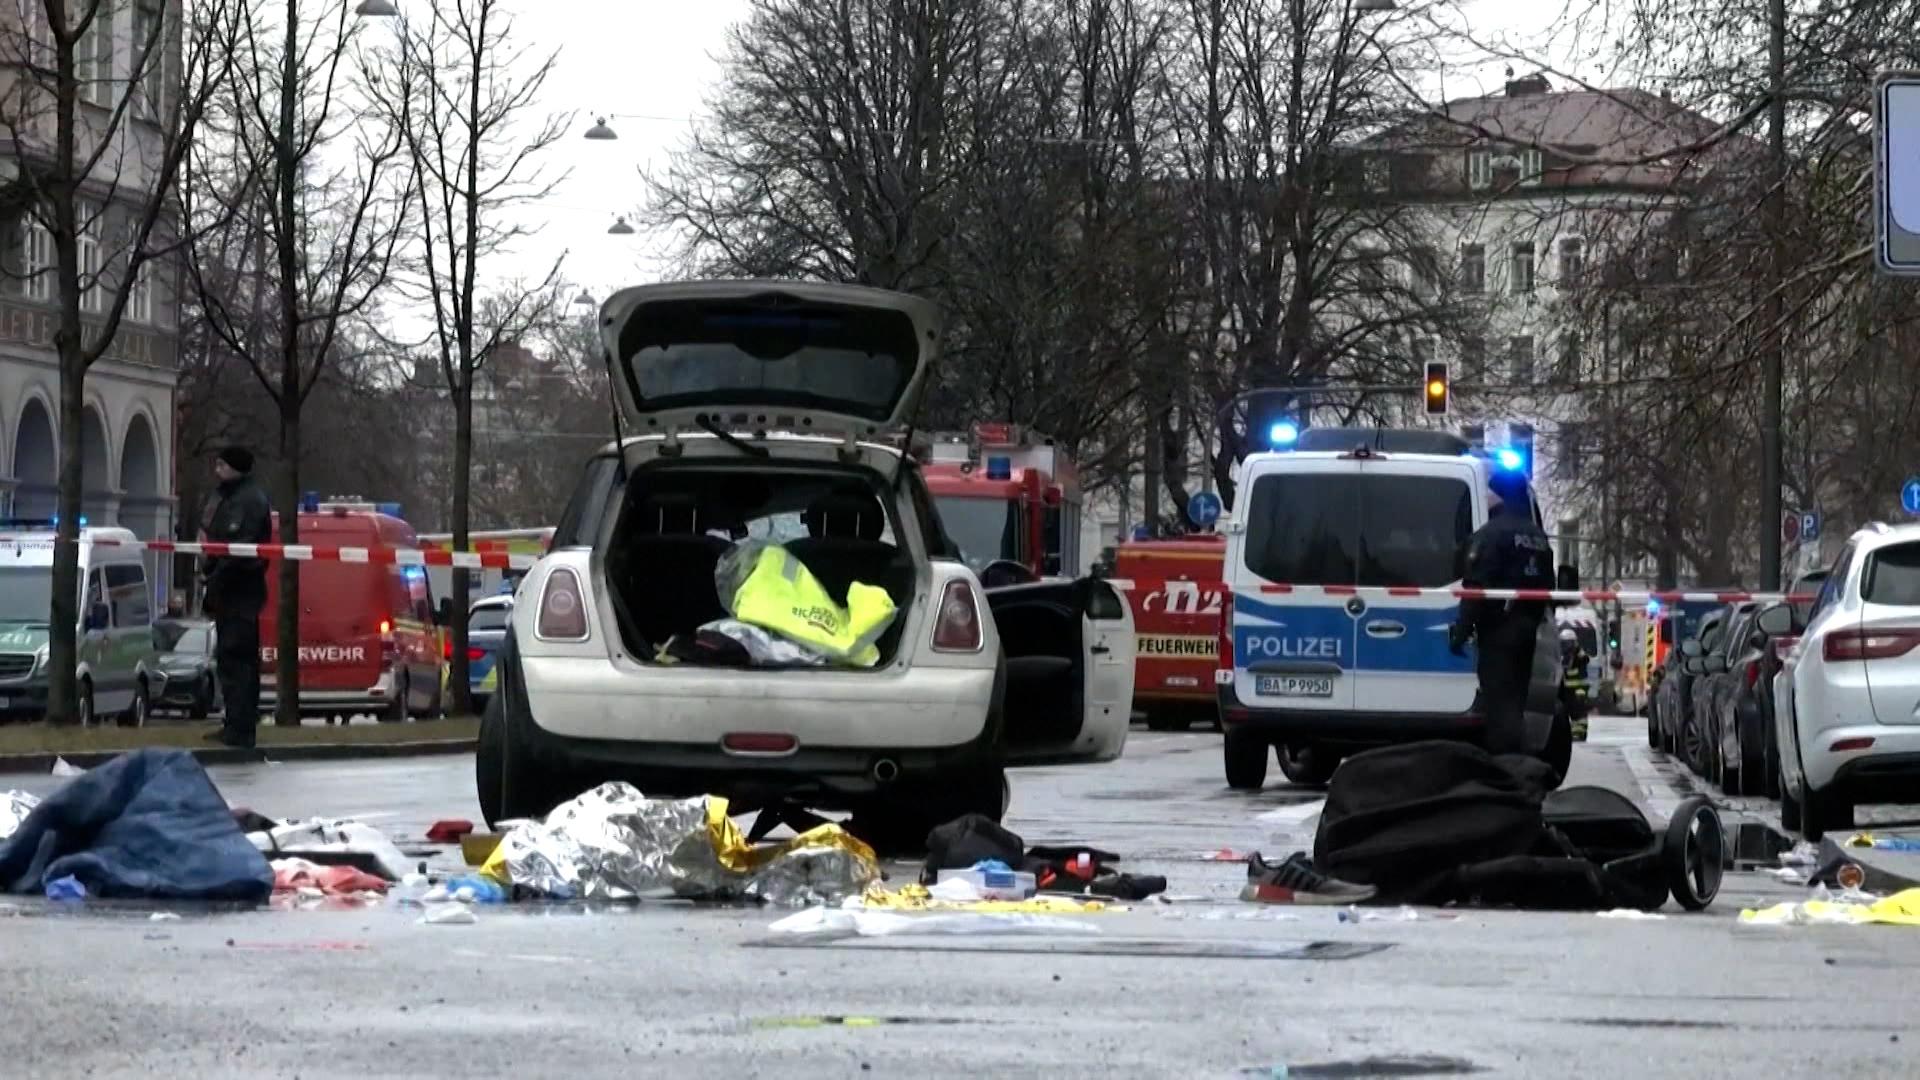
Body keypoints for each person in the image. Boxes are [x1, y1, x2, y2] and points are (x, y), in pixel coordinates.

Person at [1448, 468, 1555, 756]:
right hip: (1527, 629)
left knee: (1498, 702)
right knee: (1516, 699)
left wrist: (1461, 631)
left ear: (1501, 496)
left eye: (1491, 492)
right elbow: (1549, 587)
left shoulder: (1492, 535)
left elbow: (1476, 587)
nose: (1487, 497)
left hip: (1498, 631)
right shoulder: (1538, 537)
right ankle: (1514, 757)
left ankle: (1502, 762)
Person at [201, 447, 273, 749]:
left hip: (239, 591)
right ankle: (234, 723)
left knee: (238, 661)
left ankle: (240, 729)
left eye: (222, 464)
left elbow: (237, 550)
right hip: (229, 590)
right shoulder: (228, 496)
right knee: (229, 661)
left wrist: (216, 582)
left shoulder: (248, 501)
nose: (217, 470)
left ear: (236, 467)